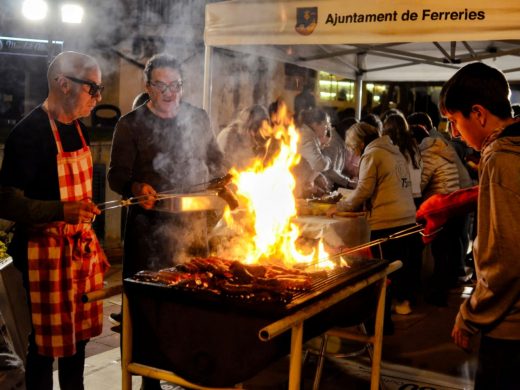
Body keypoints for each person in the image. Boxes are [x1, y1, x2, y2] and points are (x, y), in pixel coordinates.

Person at [108, 53, 226, 390]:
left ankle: (188, 370)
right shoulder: (130, 125)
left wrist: (232, 180)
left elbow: (214, 158)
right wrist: (135, 187)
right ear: (147, 87)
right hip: (148, 228)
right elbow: (117, 176)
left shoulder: (198, 118)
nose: (170, 92)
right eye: (161, 86)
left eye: (175, 85)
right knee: (148, 307)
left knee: (191, 299)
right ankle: (147, 379)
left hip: (192, 225)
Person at [0, 51, 108, 390]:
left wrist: (83, 212)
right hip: (42, 256)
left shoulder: (78, 129)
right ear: (63, 84)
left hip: (79, 252)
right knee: (45, 346)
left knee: (78, 340)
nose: (98, 97)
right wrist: (62, 211)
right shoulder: (29, 133)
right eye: (93, 88)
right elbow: (6, 202)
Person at [439, 62, 520, 389]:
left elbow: (507, 257)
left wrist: (470, 314)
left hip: (511, 327)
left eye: (454, 121)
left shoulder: (500, 155)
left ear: (479, 113)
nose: (454, 133)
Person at [328, 122, 417, 319]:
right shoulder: (393, 150)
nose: (353, 151)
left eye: (352, 146)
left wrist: (340, 207)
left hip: (387, 220)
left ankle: (380, 320)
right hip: (407, 216)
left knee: (383, 273)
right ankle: (397, 306)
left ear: (360, 142)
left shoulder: (372, 153)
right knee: (398, 268)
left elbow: (364, 190)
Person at [217, 104, 271, 170]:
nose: (256, 145)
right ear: (251, 130)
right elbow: (220, 168)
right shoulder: (228, 137)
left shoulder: (260, 146)